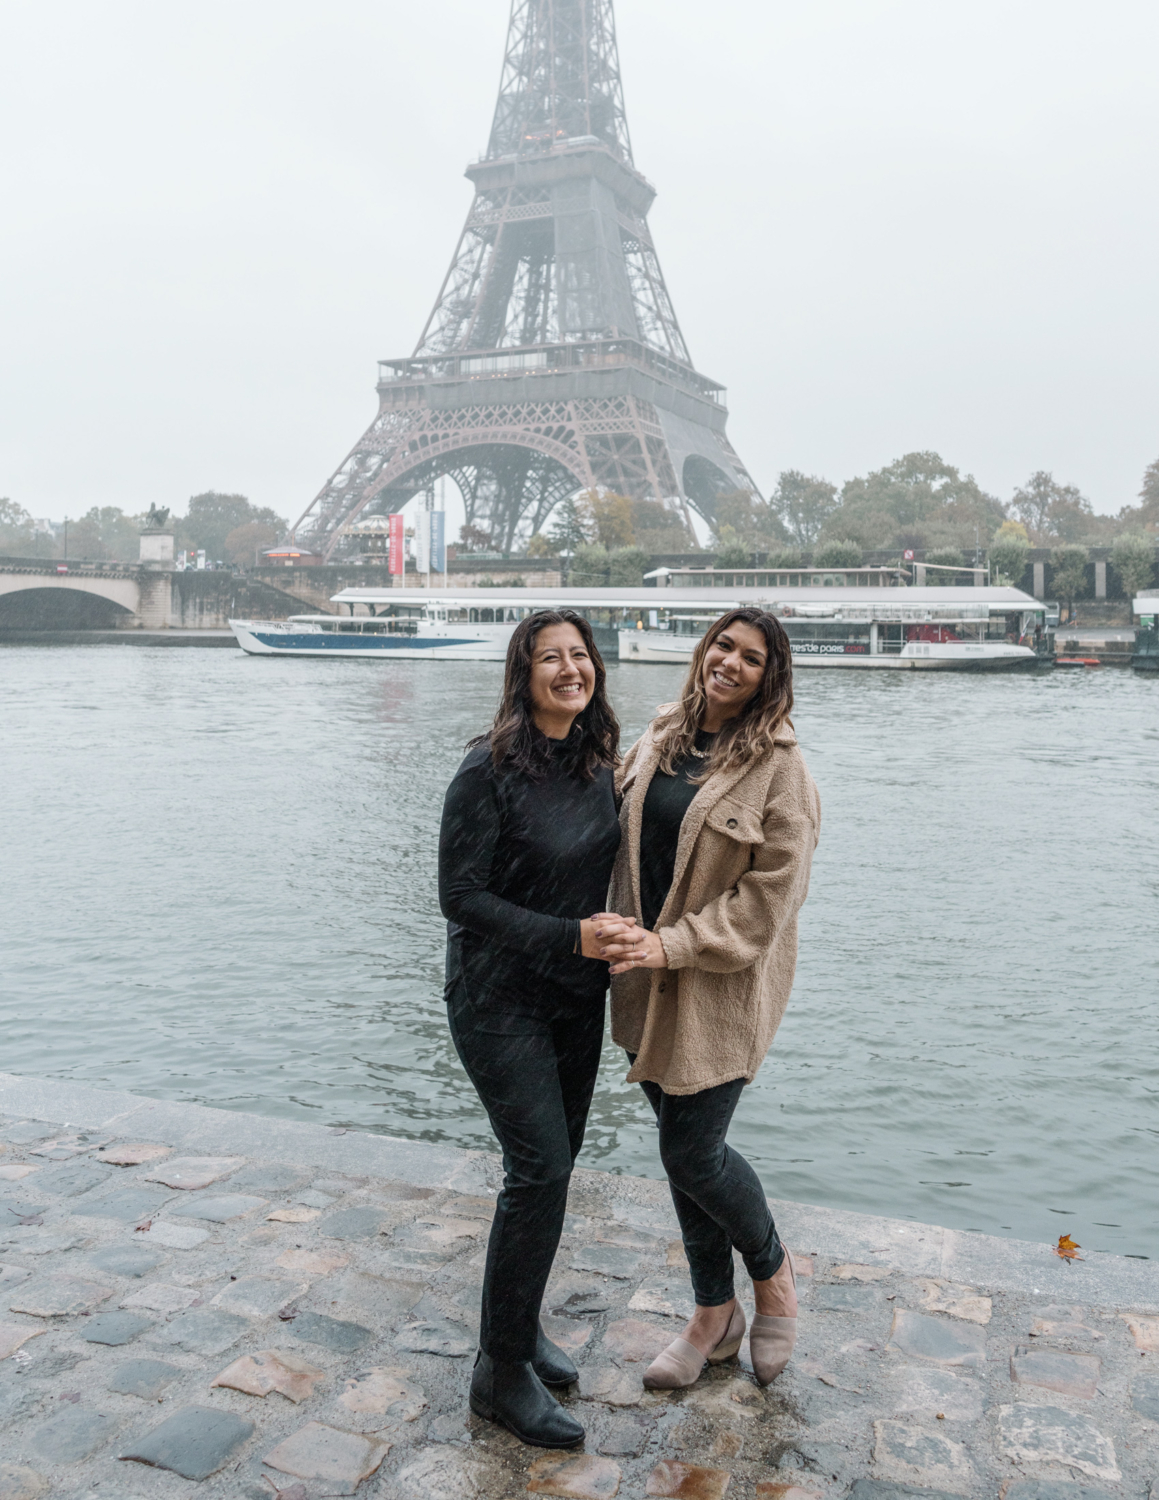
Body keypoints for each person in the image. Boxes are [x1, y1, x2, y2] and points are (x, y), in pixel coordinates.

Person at [596, 607, 820, 1390]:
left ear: (770, 678)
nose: (729, 662)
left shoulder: (780, 771)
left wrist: (671, 944)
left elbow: (768, 902)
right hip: (640, 987)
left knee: (691, 1151)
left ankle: (772, 1274)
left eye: (751, 658)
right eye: (722, 645)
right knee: (680, 1156)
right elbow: (616, 838)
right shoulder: (662, 733)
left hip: (716, 993)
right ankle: (712, 1316)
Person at [438, 609, 621, 1447]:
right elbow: (461, 898)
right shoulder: (485, 771)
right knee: (538, 1169)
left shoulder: (597, 762)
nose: (568, 669)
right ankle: (497, 1374)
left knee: (555, 1169)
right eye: (549, 657)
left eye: (578, 655)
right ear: (523, 674)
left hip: (573, 1002)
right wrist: (570, 937)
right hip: (497, 1001)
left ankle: (515, 1331)